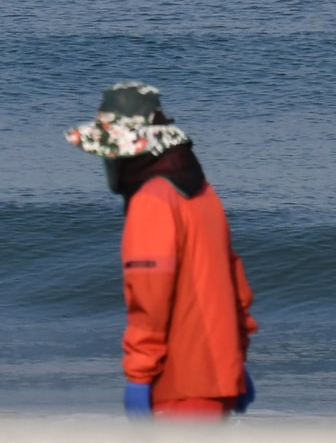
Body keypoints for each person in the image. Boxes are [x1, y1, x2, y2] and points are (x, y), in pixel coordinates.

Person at [66, 82, 257, 421]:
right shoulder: (201, 193)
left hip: (179, 381)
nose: (107, 166)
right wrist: (236, 359)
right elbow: (236, 287)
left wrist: (139, 376)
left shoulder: (151, 202)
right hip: (218, 374)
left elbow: (150, 301)